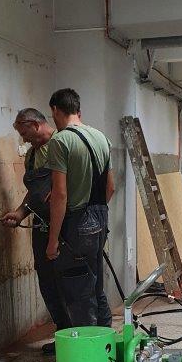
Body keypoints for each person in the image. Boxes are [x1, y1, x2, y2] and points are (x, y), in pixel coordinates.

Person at [1, 107, 70, 355]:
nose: (24, 139)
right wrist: (20, 212)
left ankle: (80, 337)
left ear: (35, 124)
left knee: (68, 280)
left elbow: (67, 189)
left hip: (65, 226)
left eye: (24, 133)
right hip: (41, 224)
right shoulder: (31, 155)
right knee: (48, 281)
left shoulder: (61, 144)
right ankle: (63, 335)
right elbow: (35, 192)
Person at [45, 88, 115, 327]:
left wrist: (53, 240)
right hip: (100, 218)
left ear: (56, 110)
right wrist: (95, 215)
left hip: (76, 223)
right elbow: (111, 188)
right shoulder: (101, 138)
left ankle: (88, 347)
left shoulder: (60, 141)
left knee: (78, 291)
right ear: (78, 110)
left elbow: (60, 195)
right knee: (96, 284)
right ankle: (106, 339)